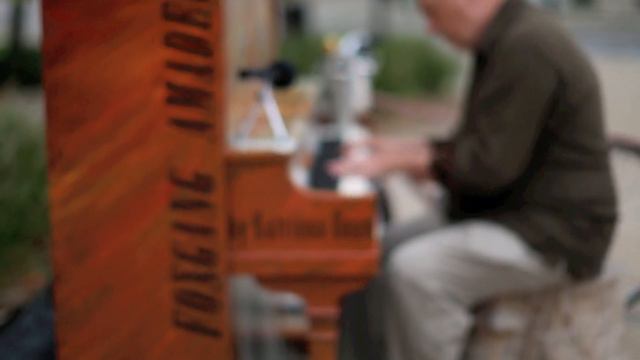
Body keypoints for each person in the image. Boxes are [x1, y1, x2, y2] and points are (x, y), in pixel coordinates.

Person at [331, 0, 618, 359]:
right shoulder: (509, 36)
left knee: (417, 272)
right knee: (374, 250)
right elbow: (482, 146)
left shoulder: (526, 45)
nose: (431, 29)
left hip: (555, 232)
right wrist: (404, 149)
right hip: (516, 213)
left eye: (433, 14)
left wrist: (404, 159)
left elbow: (486, 170)